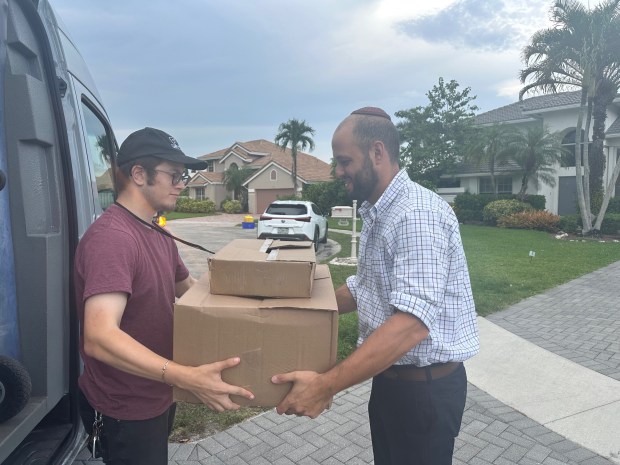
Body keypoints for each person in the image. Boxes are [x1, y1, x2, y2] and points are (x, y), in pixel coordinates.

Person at [272, 107, 479, 465]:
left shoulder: (415, 214)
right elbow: (364, 288)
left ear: (377, 153)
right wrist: (302, 309)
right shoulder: (379, 212)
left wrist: (326, 385)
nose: (338, 172)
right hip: (392, 383)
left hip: (423, 394)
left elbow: (411, 325)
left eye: (343, 160)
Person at [75, 127, 254, 465]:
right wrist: (186, 377)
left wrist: (250, 300)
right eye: (173, 174)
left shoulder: (157, 233)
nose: (181, 183)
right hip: (125, 406)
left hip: (158, 391)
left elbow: (190, 292)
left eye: (183, 175)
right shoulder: (113, 239)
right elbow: (98, 337)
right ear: (139, 174)